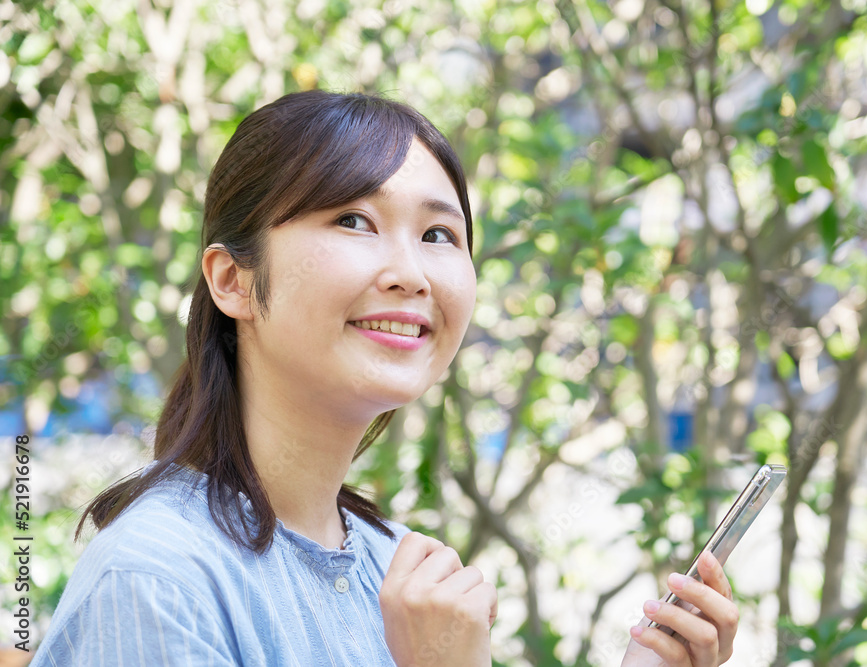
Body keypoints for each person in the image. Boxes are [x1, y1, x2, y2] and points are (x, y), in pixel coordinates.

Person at [30, 90, 739, 666]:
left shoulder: (394, 566)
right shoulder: (157, 581)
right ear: (233, 280)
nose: (410, 271)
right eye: (353, 220)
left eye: (438, 235)